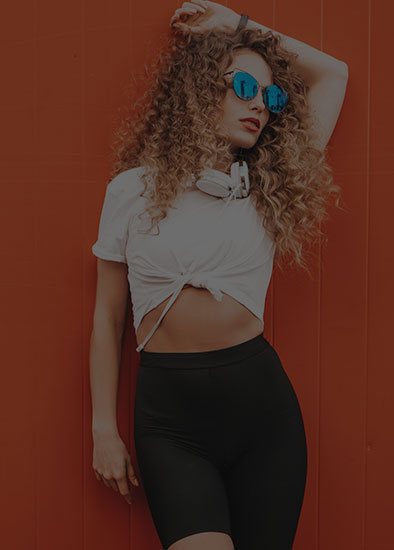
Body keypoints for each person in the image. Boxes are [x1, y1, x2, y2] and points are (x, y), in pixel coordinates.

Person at [89, 1, 348, 549]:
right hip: (170, 424)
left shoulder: (267, 190)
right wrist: (103, 429)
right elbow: (108, 316)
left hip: (263, 418)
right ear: (203, 88)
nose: (259, 106)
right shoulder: (131, 191)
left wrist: (236, 24)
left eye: (270, 97)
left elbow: (334, 74)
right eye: (244, 87)